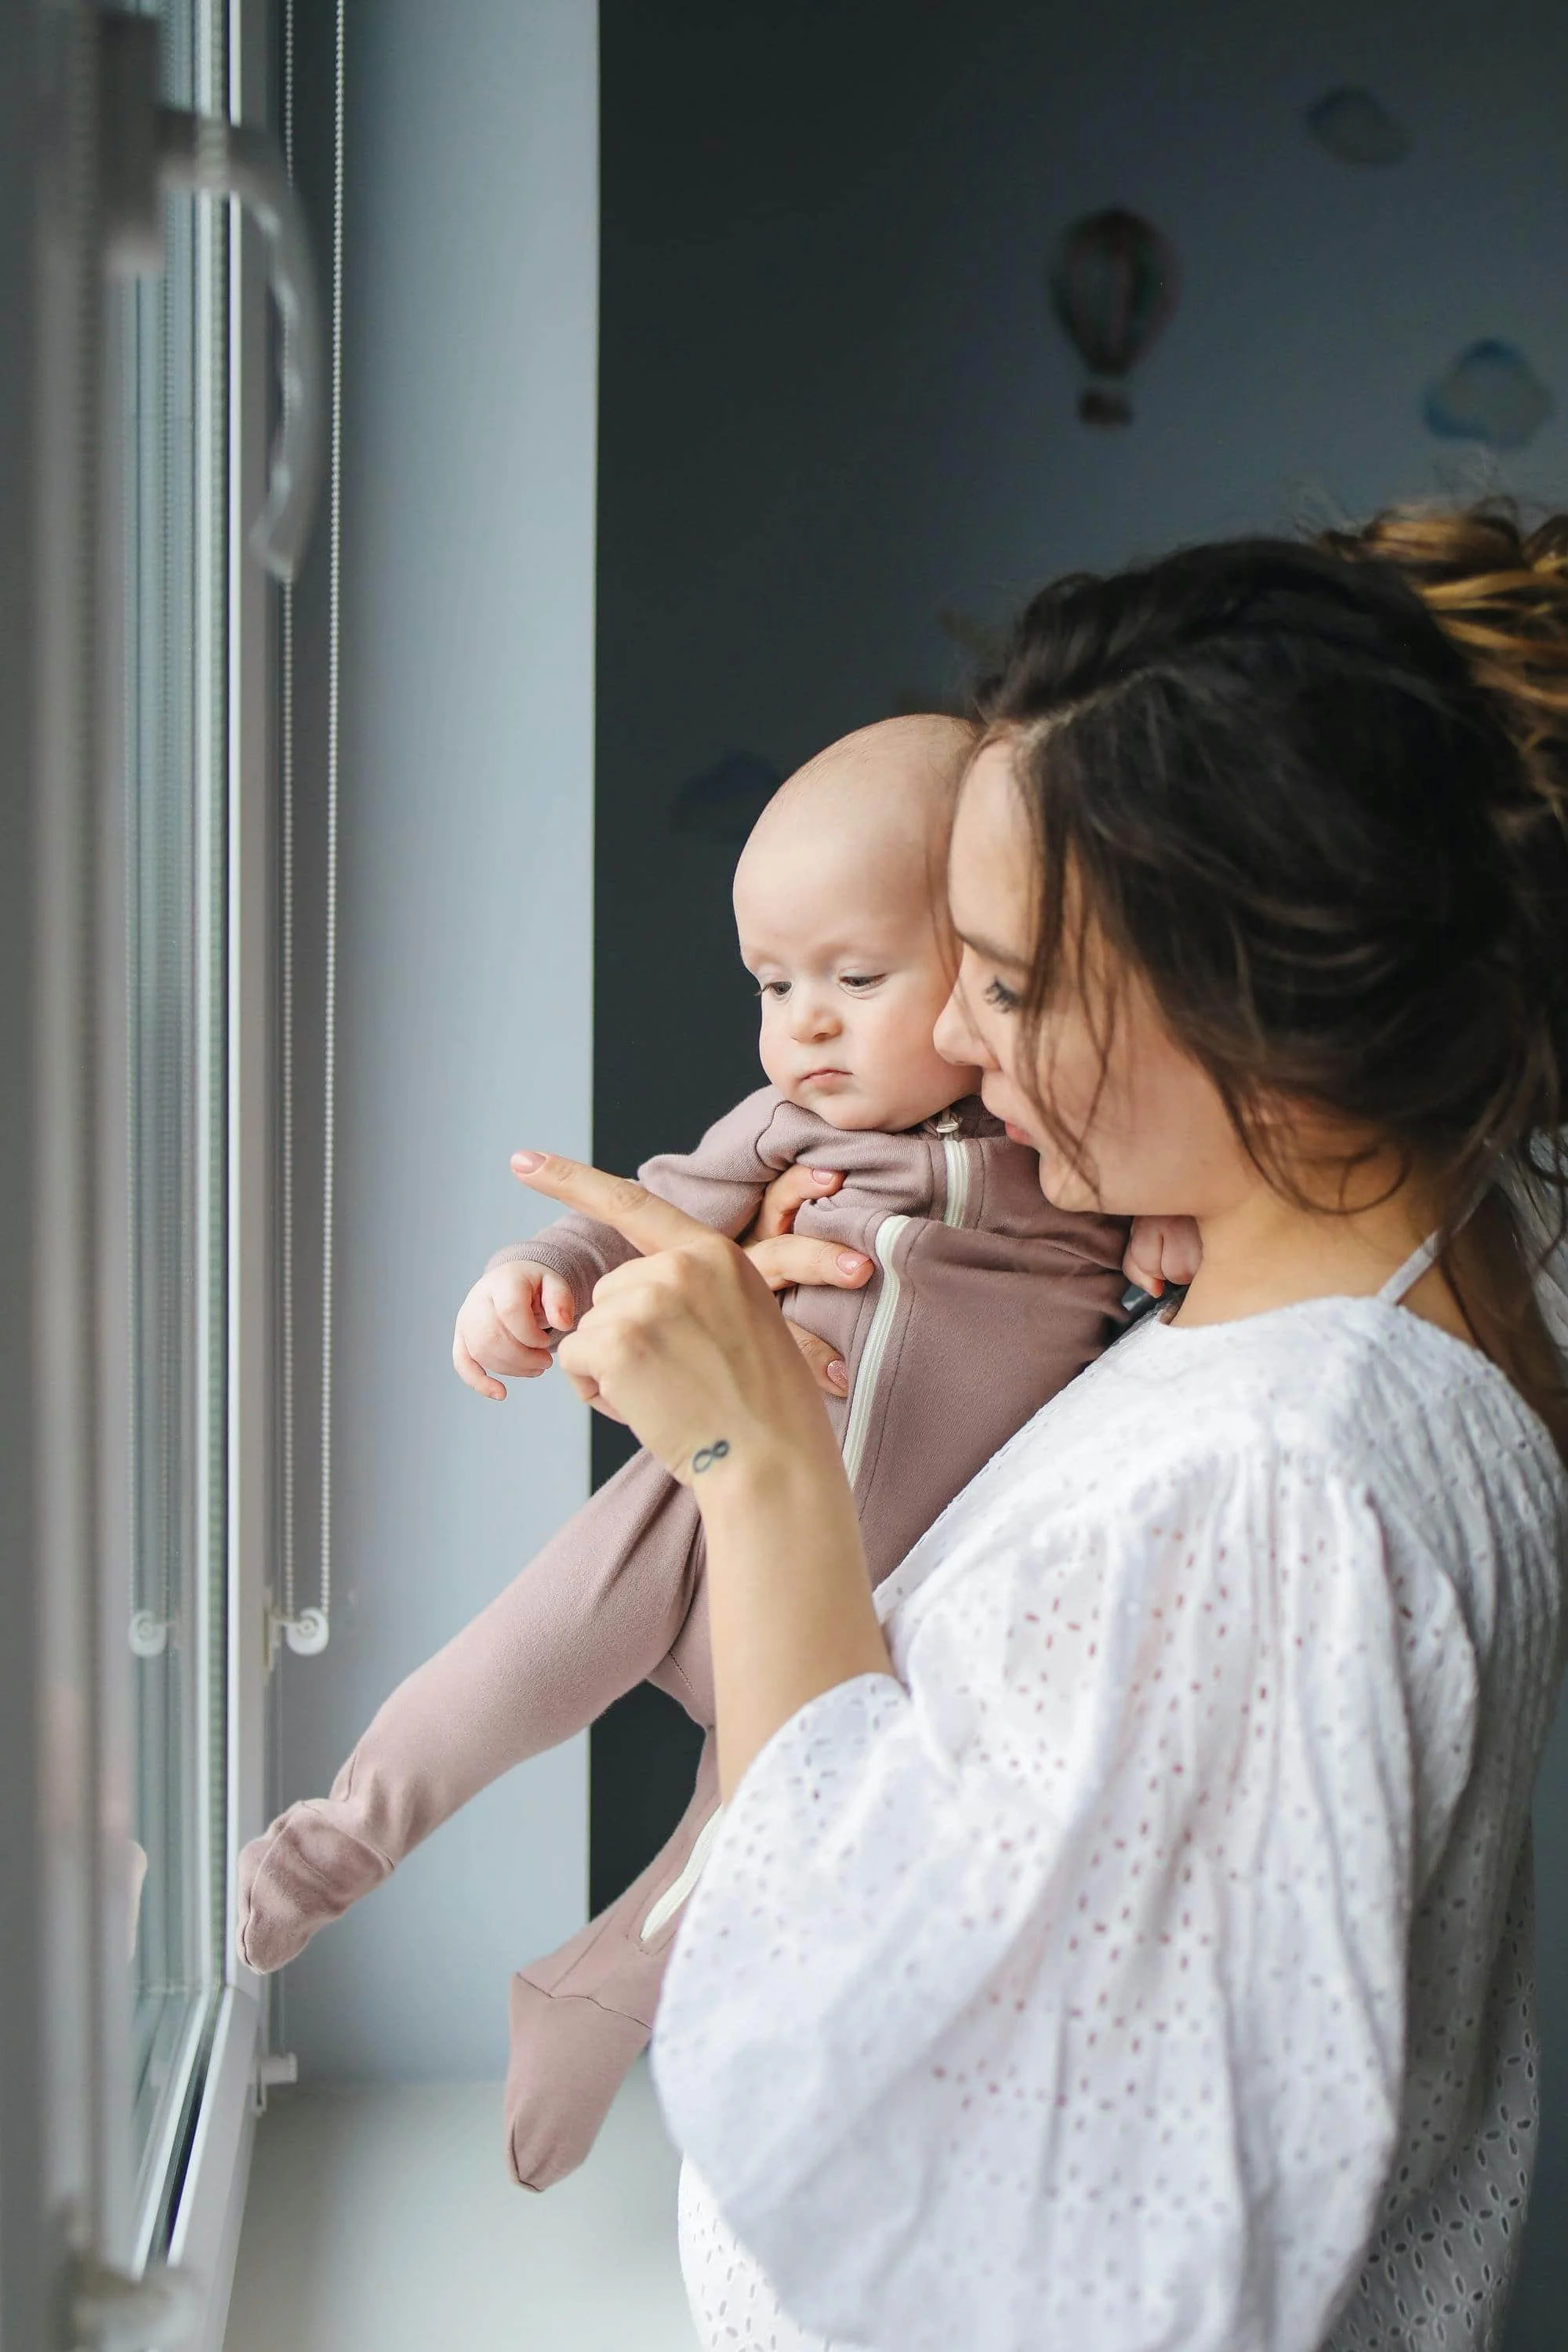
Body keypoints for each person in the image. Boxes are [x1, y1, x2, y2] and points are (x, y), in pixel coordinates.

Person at [507, 503, 1568, 2352]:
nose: (962, 1057)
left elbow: (983, 2171)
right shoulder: (1399, 1310)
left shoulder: (1268, 1483)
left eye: (1004, 980)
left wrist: (754, 1458)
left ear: (1234, 998)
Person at [235, 714, 1146, 2190]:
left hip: (862, 1596)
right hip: (696, 1503)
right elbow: (648, 1204)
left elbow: (1147, 1264)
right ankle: (324, 1849)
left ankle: (587, 2000)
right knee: (516, 1660)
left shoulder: (1071, 1143)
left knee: (742, 1843)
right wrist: (537, 1272)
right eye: (776, 986)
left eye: (858, 979)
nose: (807, 1027)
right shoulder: (790, 1132)